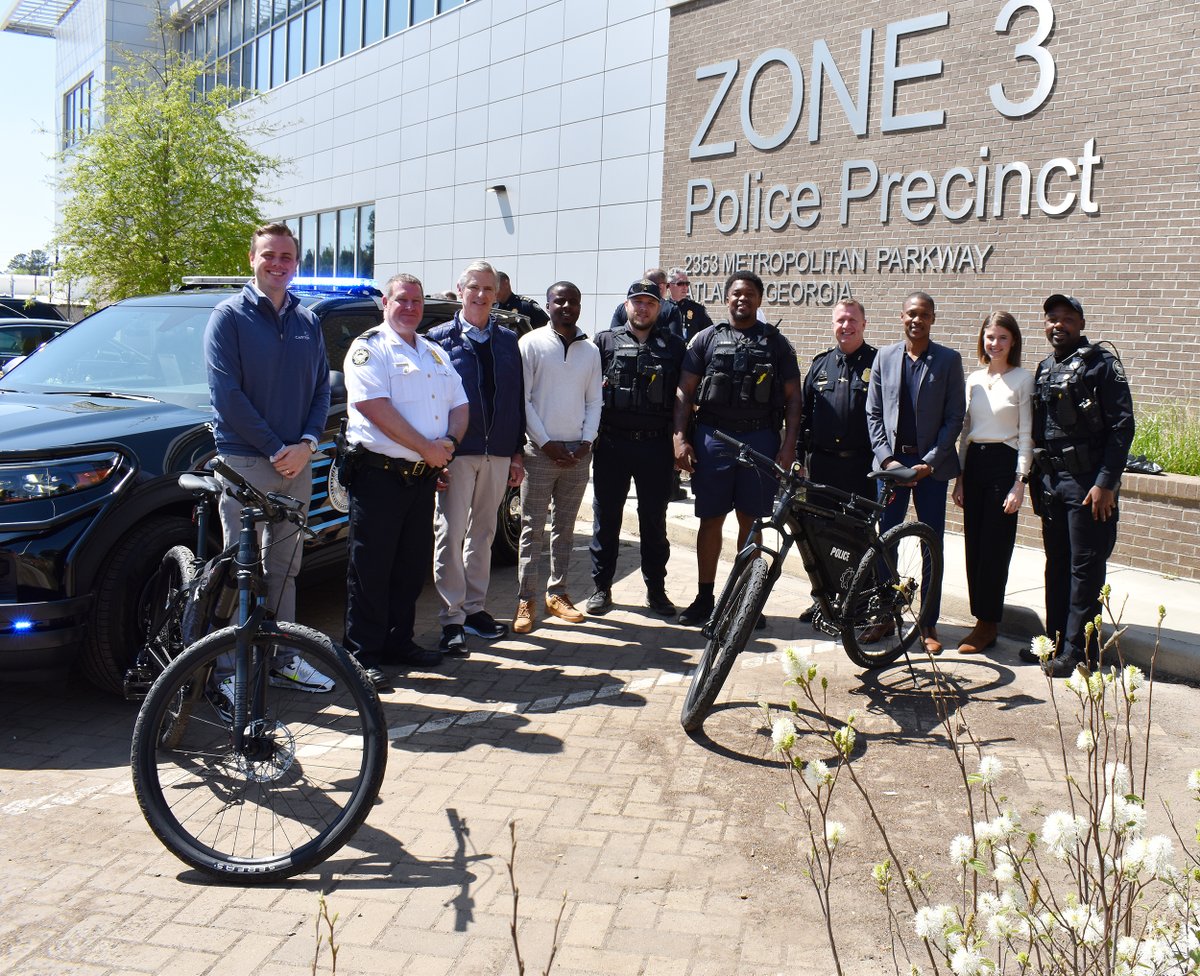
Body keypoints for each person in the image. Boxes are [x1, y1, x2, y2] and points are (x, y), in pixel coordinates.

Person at [203, 221, 333, 695]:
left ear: (296, 264)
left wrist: (307, 443)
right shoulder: (229, 316)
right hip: (247, 461)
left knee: (285, 568)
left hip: (297, 462)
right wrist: (276, 448)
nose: (278, 265)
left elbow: (322, 388)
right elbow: (226, 394)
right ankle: (227, 674)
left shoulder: (307, 320)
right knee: (238, 569)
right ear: (252, 259)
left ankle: (285, 659)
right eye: (269, 256)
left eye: (286, 258)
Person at [340, 274, 468, 689]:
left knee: (410, 566)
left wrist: (447, 443)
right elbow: (373, 407)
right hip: (378, 475)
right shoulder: (368, 348)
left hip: (420, 478)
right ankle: (362, 654)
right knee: (371, 568)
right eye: (402, 300)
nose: (410, 307)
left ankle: (399, 642)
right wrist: (427, 448)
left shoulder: (433, 351)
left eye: (416, 300)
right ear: (385, 303)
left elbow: (460, 404)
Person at [673, 271, 802, 626]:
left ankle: (748, 601)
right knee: (710, 519)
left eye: (749, 294)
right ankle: (704, 598)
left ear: (760, 300)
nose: (742, 299)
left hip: (760, 438)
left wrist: (789, 447)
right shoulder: (705, 339)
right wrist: (679, 437)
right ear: (726, 298)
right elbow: (685, 391)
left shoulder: (777, 344)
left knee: (751, 520)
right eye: (735, 294)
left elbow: (794, 400)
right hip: (714, 437)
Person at [1027, 294, 1135, 676]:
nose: (1059, 324)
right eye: (1052, 318)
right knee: (1056, 564)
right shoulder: (1043, 368)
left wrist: (1106, 483)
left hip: (1088, 484)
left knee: (1084, 569)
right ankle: (1054, 641)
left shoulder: (1102, 365)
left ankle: (1079, 651)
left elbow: (1123, 427)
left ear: (1081, 323)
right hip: (1052, 482)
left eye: (1067, 318)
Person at [429, 261, 526, 654]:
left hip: (499, 451)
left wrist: (516, 452)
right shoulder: (437, 340)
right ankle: (451, 618)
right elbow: (430, 401)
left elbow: (516, 399)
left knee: (483, 534)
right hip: (457, 452)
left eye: (489, 289)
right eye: (474, 288)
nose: (481, 295)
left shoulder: (508, 340)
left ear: (497, 292)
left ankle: (474, 609)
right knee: (450, 534)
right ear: (460, 289)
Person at [866, 291, 965, 654]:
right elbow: (873, 414)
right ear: (901, 316)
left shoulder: (949, 361)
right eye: (910, 313)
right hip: (892, 467)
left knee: (930, 544)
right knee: (884, 543)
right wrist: (887, 460)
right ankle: (885, 615)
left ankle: (928, 622)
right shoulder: (884, 357)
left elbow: (955, 417)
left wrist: (931, 462)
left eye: (923, 315)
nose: (916, 320)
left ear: (933, 319)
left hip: (930, 471)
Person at [587, 279, 688, 617]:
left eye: (650, 303)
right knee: (606, 520)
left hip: (654, 448)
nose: (643, 308)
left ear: (660, 307)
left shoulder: (674, 346)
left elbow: (683, 398)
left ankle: (656, 591)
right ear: (627, 305)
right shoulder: (603, 341)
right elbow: (586, 394)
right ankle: (601, 588)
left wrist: (679, 440)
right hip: (612, 444)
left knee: (654, 523)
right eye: (637, 302)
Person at [512, 281, 603, 633]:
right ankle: (526, 599)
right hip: (539, 452)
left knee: (565, 529)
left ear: (580, 306)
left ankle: (558, 593)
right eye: (559, 301)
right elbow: (524, 400)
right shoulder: (531, 344)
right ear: (548, 305)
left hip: (578, 454)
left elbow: (594, 400)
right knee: (532, 529)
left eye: (573, 301)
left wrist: (586, 441)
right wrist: (545, 442)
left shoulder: (590, 350)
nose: (566, 306)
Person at [950, 312, 1034, 655]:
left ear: (1012, 341)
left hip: (1004, 465)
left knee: (995, 549)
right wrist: (960, 479)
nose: (994, 344)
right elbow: (966, 433)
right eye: (989, 337)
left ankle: (988, 625)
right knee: (975, 547)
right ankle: (979, 619)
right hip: (976, 468)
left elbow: (1027, 433)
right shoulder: (973, 379)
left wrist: (1020, 483)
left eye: (1002, 337)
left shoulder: (1023, 380)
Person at [797, 298, 877, 623]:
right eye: (840, 320)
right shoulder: (819, 365)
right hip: (822, 468)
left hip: (861, 468)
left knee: (857, 537)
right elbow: (803, 417)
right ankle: (824, 600)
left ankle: (857, 604)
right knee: (820, 538)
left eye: (852, 320)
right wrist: (799, 459)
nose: (846, 326)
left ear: (863, 323)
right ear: (833, 325)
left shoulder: (878, 363)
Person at [608, 268, 685, 340]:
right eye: (667, 286)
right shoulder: (671, 309)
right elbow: (676, 344)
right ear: (661, 286)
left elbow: (613, 338)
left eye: (650, 303)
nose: (643, 308)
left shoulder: (623, 307)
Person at [666, 267, 713, 341]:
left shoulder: (697, 309)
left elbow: (710, 333)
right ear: (669, 285)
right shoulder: (662, 309)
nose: (685, 287)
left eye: (687, 284)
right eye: (680, 284)